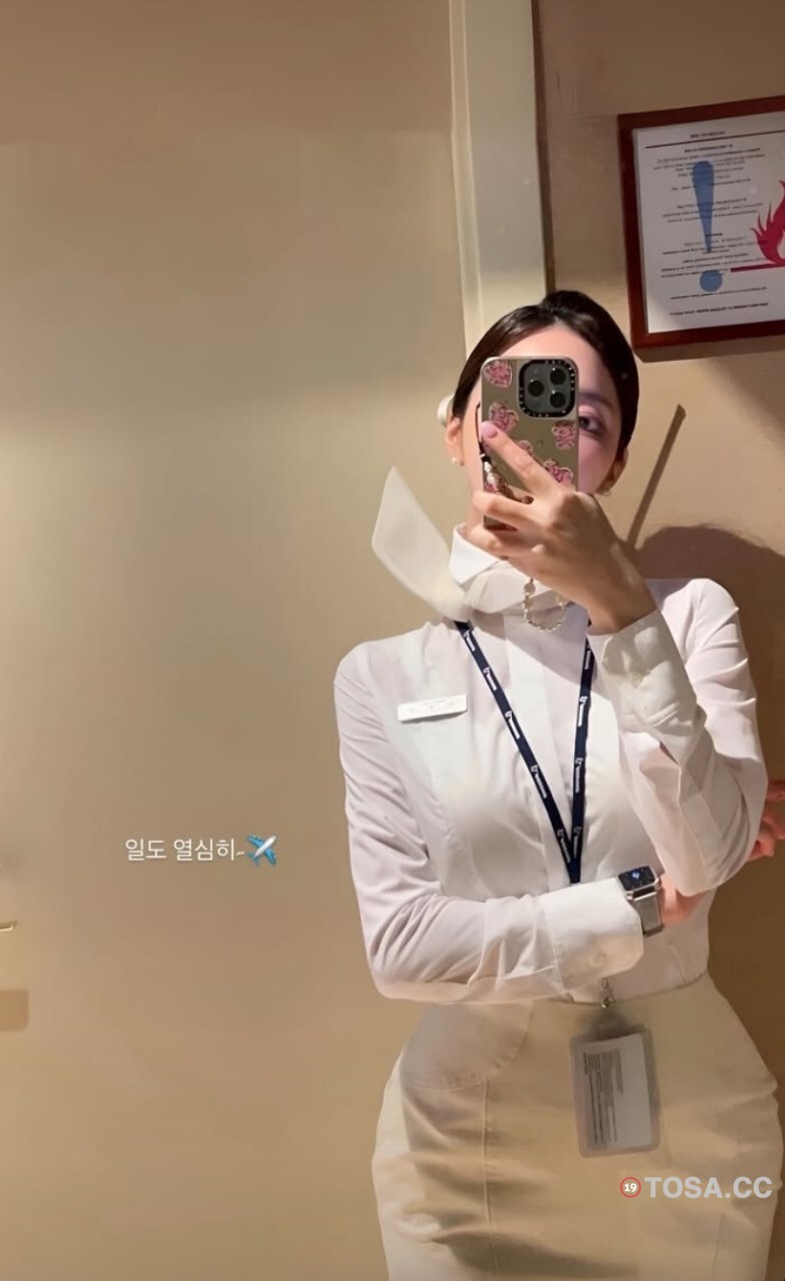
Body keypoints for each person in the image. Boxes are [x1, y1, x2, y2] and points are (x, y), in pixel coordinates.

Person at [332, 290, 783, 1280]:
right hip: (465, 1148)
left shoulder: (688, 616)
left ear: (613, 463)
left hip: (689, 1131)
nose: (554, 434)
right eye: (519, 402)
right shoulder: (379, 676)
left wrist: (621, 607)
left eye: (588, 419)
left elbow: (709, 852)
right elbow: (401, 948)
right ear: (457, 430)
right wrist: (630, 906)